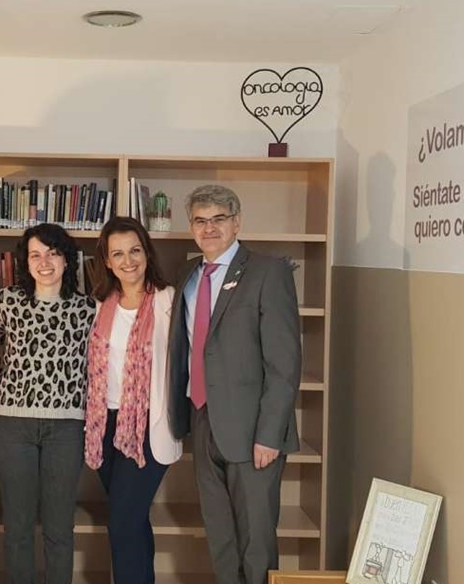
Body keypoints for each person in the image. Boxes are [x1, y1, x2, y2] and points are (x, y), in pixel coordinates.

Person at [167, 184, 302, 584]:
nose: (209, 228)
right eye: (200, 220)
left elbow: (285, 363)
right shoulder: (188, 274)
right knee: (220, 536)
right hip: (202, 420)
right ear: (191, 226)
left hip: (253, 431)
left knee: (256, 542)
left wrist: (270, 435)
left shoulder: (267, 272)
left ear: (237, 222)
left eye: (218, 219)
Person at [0, 223, 97, 584]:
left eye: (52, 253)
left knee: (59, 526)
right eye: (35, 254)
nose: (44, 262)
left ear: (67, 260)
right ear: (26, 261)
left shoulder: (88, 309)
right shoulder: (8, 301)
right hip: (11, 425)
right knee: (17, 525)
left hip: (66, 427)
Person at [84, 216, 182, 584]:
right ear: (107, 261)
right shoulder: (99, 305)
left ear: (147, 252)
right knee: (134, 521)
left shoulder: (168, 302)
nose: (128, 261)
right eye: (118, 254)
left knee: (122, 522)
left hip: (146, 425)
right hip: (104, 425)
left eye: (135, 250)